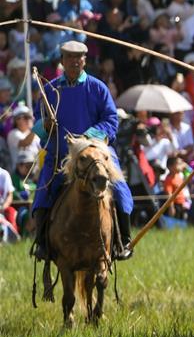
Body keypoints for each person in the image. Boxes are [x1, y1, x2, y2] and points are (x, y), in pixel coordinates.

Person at [30, 40, 135, 261]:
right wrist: (45, 126)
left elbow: (111, 120)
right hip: (60, 154)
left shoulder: (98, 88)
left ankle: (123, 240)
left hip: (95, 153)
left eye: (79, 57)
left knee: (119, 186)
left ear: (85, 60)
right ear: (62, 60)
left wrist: (87, 137)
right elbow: (37, 122)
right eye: (69, 57)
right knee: (44, 189)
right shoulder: (50, 90)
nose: (74, 61)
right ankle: (42, 243)